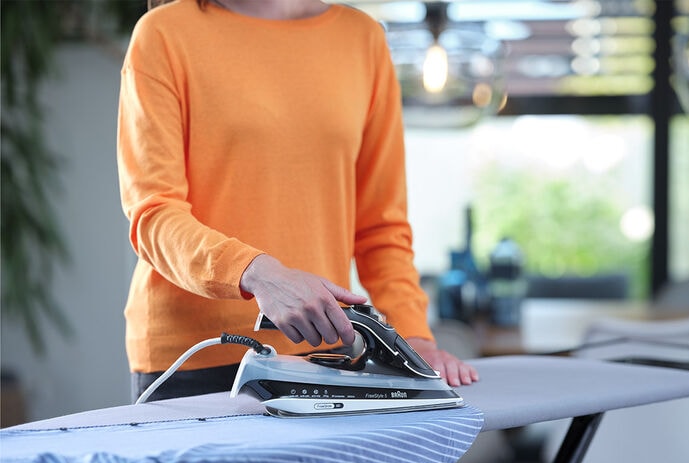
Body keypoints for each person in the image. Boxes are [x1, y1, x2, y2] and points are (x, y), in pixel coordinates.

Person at [118, 0, 479, 402]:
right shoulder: (164, 33)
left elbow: (382, 225)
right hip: (194, 356)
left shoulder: (362, 40)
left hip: (326, 350)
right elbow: (153, 214)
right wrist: (258, 274)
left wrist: (414, 337)